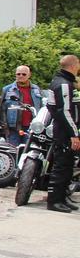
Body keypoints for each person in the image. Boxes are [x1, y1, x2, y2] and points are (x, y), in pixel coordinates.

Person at [45, 55, 80, 214]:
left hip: (63, 128)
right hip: (64, 130)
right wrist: (73, 133)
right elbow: (63, 111)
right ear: (73, 65)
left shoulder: (62, 81)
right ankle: (54, 200)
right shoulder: (63, 84)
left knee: (67, 165)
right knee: (61, 165)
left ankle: (62, 197)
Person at [0, 65, 43, 149]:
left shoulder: (36, 89)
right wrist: (5, 128)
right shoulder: (7, 89)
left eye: (24, 74)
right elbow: (1, 110)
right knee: (13, 153)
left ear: (29, 75)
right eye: (18, 74)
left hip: (31, 128)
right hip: (13, 129)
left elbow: (41, 108)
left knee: (28, 153)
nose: (21, 76)